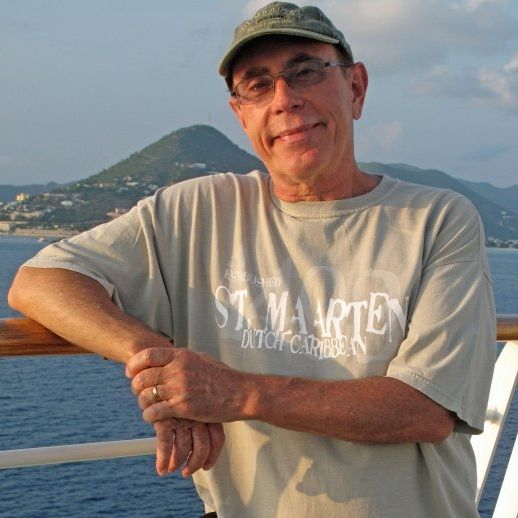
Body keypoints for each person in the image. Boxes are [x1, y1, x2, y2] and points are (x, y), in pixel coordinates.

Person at [8, 2, 496, 517]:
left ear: (355, 88)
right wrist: (164, 367)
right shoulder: (198, 211)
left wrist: (236, 393)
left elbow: (425, 409)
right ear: (241, 115)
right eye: (258, 85)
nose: (284, 100)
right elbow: (39, 281)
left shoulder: (436, 219)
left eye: (305, 72)